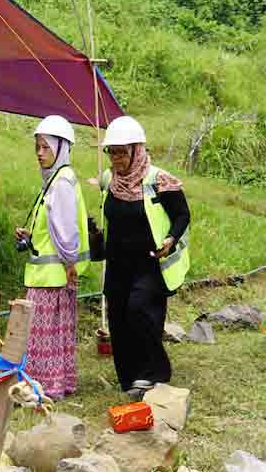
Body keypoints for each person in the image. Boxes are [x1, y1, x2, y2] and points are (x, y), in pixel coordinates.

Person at [99, 116, 190, 400]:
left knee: (141, 310)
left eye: (122, 152)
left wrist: (170, 239)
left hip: (149, 263)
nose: (116, 159)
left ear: (137, 150)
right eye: (111, 152)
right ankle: (129, 377)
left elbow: (182, 215)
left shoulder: (158, 180)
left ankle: (154, 372)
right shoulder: (110, 180)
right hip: (117, 264)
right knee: (118, 317)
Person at [15, 115, 91, 401]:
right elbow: (53, 227)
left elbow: (66, 230)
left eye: (46, 147)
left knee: (43, 336)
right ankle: (57, 383)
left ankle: (44, 386)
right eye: (37, 146)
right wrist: (31, 235)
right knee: (54, 335)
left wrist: (70, 263)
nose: (39, 153)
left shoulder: (61, 183)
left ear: (62, 148)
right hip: (50, 274)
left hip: (51, 277)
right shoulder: (55, 180)